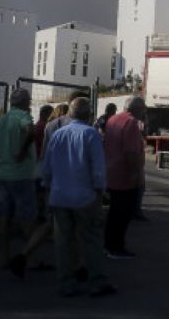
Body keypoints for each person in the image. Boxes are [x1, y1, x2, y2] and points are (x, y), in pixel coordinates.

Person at [41, 97, 114, 297]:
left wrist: (47, 189)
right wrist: (100, 191)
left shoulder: (57, 135)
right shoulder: (91, 134)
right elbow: (98, 168)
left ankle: (67, 282)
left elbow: (46, 167)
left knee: (63, 241)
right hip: (84, 196)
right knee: (91, 239)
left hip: (59, 195)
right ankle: (96, 280)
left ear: (70, 113)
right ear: (88, 114)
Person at [0, 87, 40, 269]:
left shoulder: (3, 119)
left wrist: (0, 151)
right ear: (25, 103)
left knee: (4, 217)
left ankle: (5, 258)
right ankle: (30, 259)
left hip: (4, 173)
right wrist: (22, 152)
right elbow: (30, 132)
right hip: (21, 174)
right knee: (27, 218)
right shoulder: (23, 116)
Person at [103, 95, 147, 259]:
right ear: (137, 109)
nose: (144, 112)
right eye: (143, 109)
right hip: (124, 176)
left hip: (112, 172)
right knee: (123, 214)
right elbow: (131, 153)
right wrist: (136, 176)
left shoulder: (113, 119)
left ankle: (109, 245)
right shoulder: (131, 123)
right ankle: (116, 247)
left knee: (114, 212)